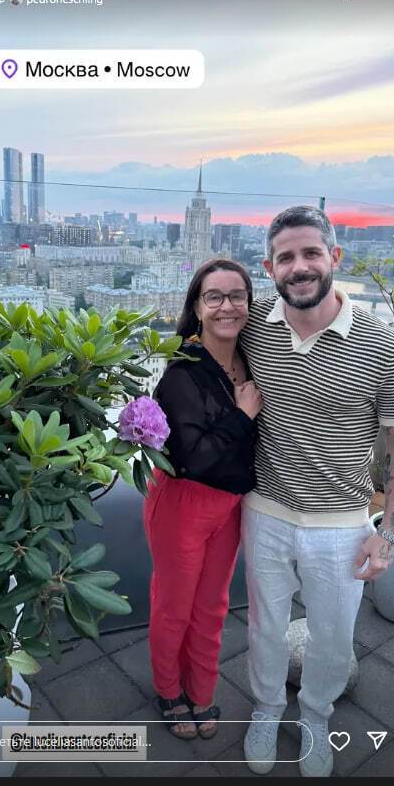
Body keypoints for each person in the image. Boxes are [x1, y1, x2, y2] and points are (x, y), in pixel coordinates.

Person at [240, 205, 394, 777]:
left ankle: (315, 715)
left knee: (333, 636)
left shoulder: (383, 344)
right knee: (264, 626)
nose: (299, 266)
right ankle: (266, 709)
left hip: (340, 522)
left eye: (311, 252)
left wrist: (388, 533)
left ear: (334, 256)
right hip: (266, 509)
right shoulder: (253, 328)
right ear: (269, 268)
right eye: (285, 257)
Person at [144, 258, 262, 740]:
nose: (226, 306)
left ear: (250, 303)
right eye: (214, 297)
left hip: (229, 504)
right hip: (183, 502)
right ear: (196, 307)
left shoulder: (250, 359)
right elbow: (193, 457)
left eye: (237, 296)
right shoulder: (183, 373)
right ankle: (169, 689)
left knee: (212, 605)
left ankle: (202, 689)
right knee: (174, 605)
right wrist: (242, 415)